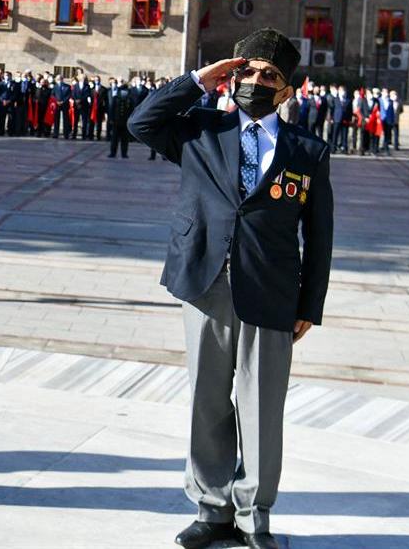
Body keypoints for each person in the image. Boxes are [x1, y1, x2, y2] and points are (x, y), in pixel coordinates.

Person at [128, 28, 333, 549]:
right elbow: (140, 122)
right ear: (232, 75)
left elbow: (320, 234)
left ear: (287, 91)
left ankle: (253, 515)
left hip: (272, 290)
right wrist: (199, 79)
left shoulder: (308, 151)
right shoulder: (199, 131)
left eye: (271, 75)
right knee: (207, 400)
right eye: (249, 70)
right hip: (205, 283)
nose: (256, 81)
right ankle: (211, 506)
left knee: (262, 406)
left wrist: (311, 303)